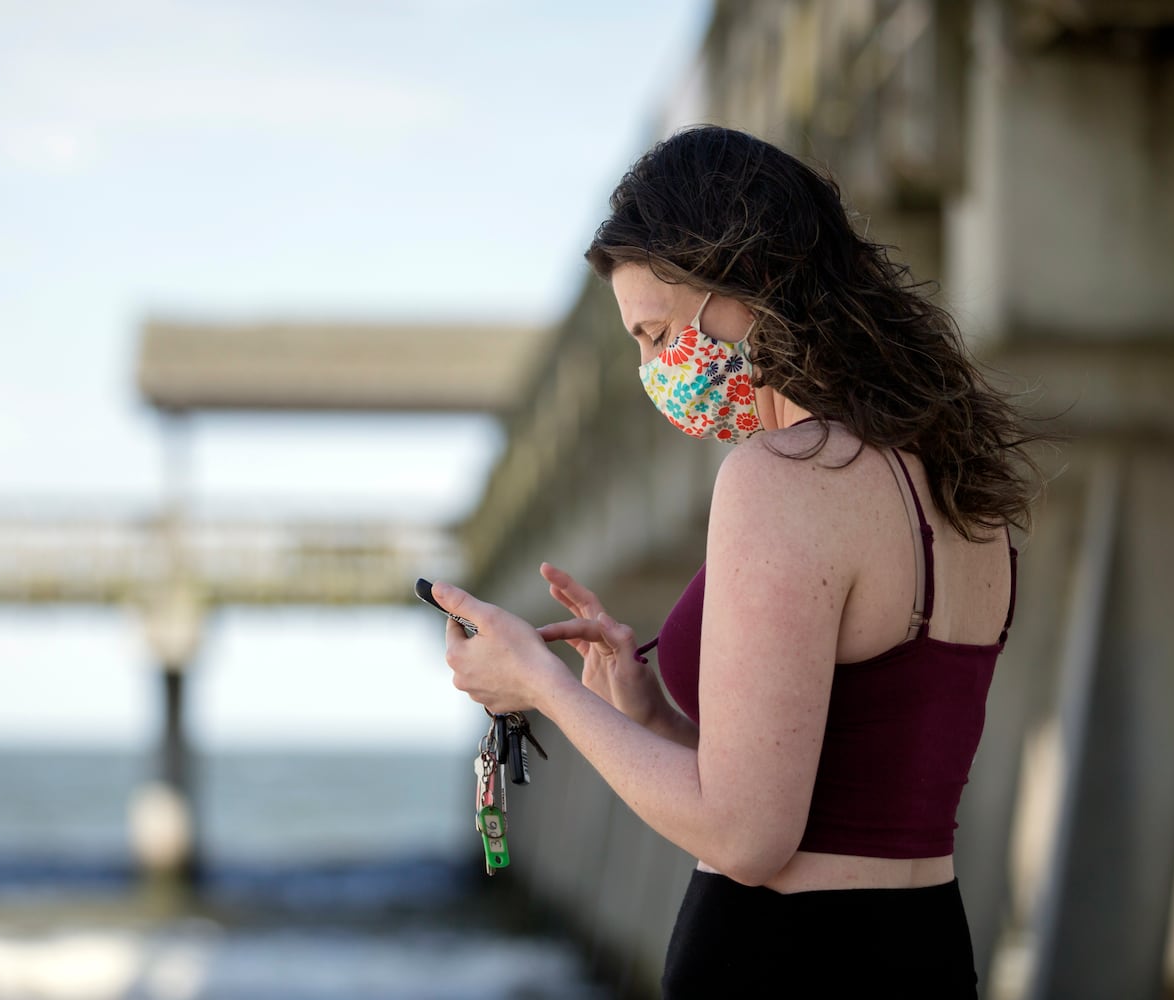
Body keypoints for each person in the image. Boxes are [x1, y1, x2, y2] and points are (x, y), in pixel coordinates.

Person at [433, 125, 1040, 996]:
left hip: (782, 960)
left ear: (748, 285)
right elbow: (843, 799)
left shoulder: (782, 476)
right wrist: (649, 722)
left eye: (655, 334)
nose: (653, 370)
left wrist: (540, 685)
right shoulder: (949, 479)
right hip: (926, 949)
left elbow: (749, 839)